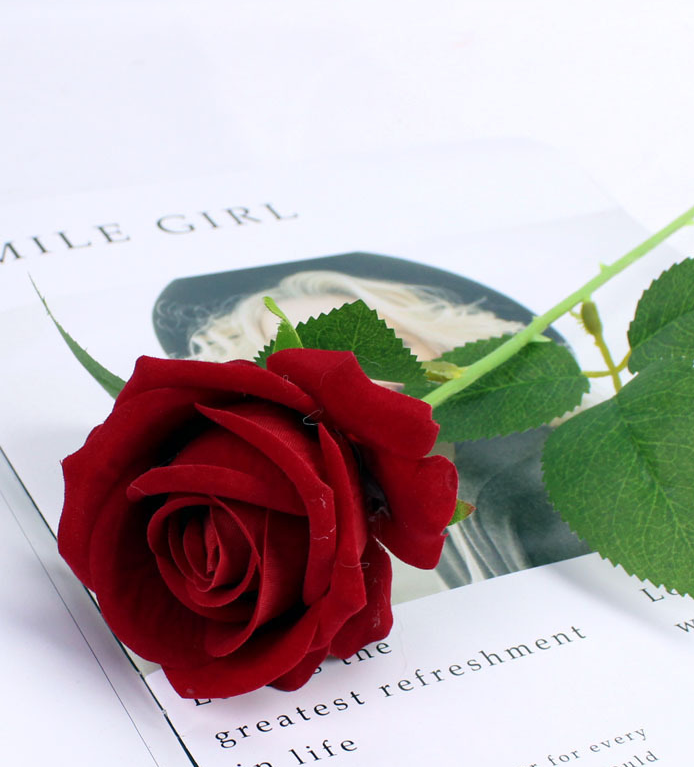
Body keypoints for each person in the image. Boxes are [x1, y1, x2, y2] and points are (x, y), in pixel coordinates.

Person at [152, 252, 588, 599]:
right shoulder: (425, 496)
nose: (358, 371)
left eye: (382, 338)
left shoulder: (518, 472)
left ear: (435, 340)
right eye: (318, 356)